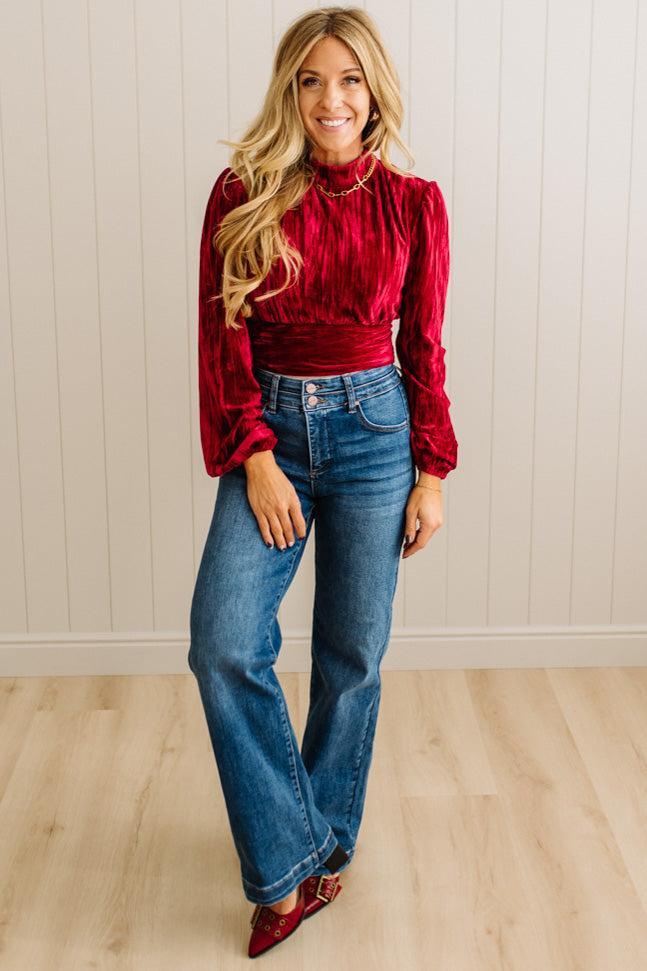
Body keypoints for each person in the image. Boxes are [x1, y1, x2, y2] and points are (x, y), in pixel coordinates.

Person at [188, 6, 458, 959]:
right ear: (288, 91)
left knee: (351, 655)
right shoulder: (243, 192)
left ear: (373, 91)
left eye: (348, 80)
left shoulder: (413, 203)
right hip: (272, 427)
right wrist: (256, 455)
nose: (329, 100)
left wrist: (432, 470)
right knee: (224, 642)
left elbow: (423, 347)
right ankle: (289, 857)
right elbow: (219, 337)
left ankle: (324, 847)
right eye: (310, 81)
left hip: (377, 432)